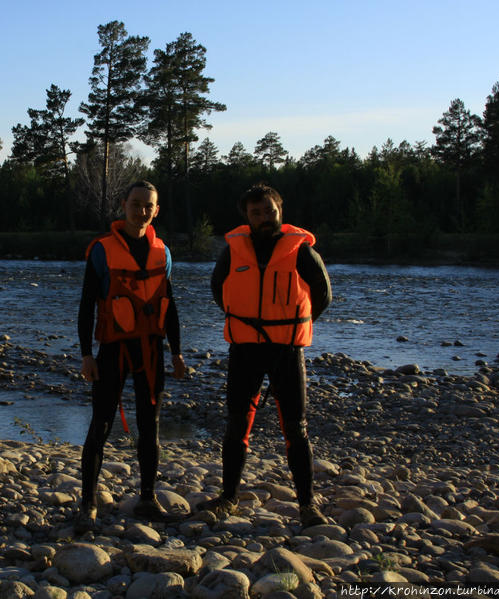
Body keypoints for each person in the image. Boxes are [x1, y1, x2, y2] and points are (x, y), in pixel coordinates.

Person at [198, 183, 332, 529]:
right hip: (245, 349)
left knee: (295, 429)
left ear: (280, 211)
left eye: (269, 211)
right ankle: (228, 498)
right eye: (256, 213)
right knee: (236, 425)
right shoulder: (233, 251)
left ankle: (307, 506)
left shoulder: (301, 250)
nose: (263, 218)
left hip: (286, 350)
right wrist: (242, 320)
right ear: (248, 216)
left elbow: (323, 293)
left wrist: (297, 323)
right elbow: (218, 287)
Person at [75, 180, 186, 533]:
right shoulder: (101, 250)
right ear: (123, 205)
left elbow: (170, 307)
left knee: (149, 428)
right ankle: (87, 504)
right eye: (135, 204)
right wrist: (85, 355)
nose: (141, 211)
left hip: (150, 351)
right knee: (101, 425)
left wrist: (177, 352)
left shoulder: (162, 252)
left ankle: (148, 500)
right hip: (112, 351)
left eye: (147, 205)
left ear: (156, 210)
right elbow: (86, 306)